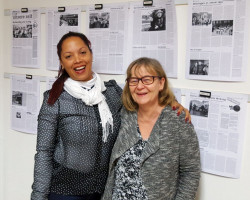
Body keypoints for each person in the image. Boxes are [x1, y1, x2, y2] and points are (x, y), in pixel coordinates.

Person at [31, 32, 191, 200]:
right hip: (65, 192)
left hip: (103, 192)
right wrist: (38, 196)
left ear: (91, 54)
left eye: (82, 52)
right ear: (62, 63)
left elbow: (143, 98)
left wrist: (171, 102)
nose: (78, 60)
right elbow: (44, 152)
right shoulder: (55, 99)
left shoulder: (112, 93)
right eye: (69, 56)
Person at [102, 57, 201, 200]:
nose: (140, 86)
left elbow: (190, 172)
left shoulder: (178, 121)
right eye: (134, 81)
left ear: (161, 83)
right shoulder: (123, 113)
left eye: (147, 79)